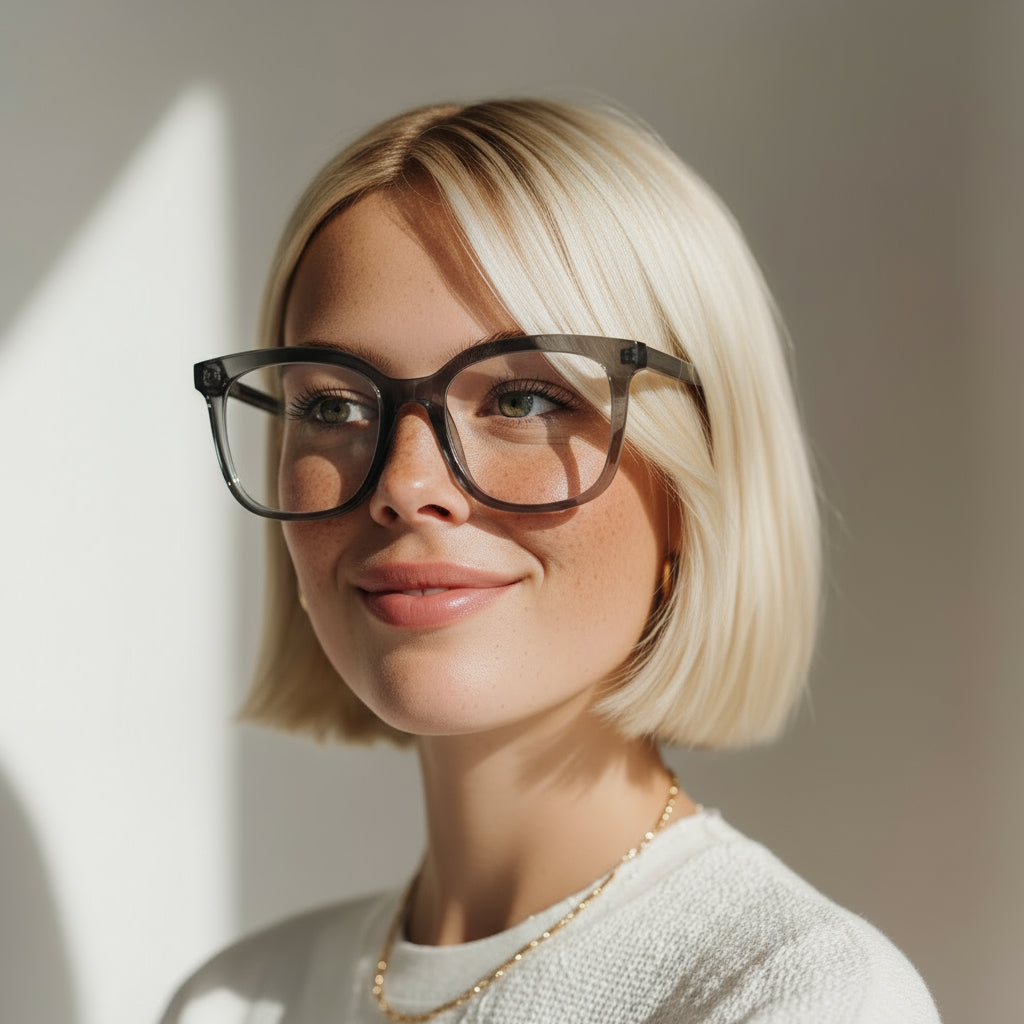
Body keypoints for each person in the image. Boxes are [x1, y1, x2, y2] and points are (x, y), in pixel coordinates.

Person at [164, 98, 940, 1023]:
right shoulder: (233, 1002)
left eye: (526, 400)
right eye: (334, 407)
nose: (405, 485)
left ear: (695, 477)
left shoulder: (797, 995)